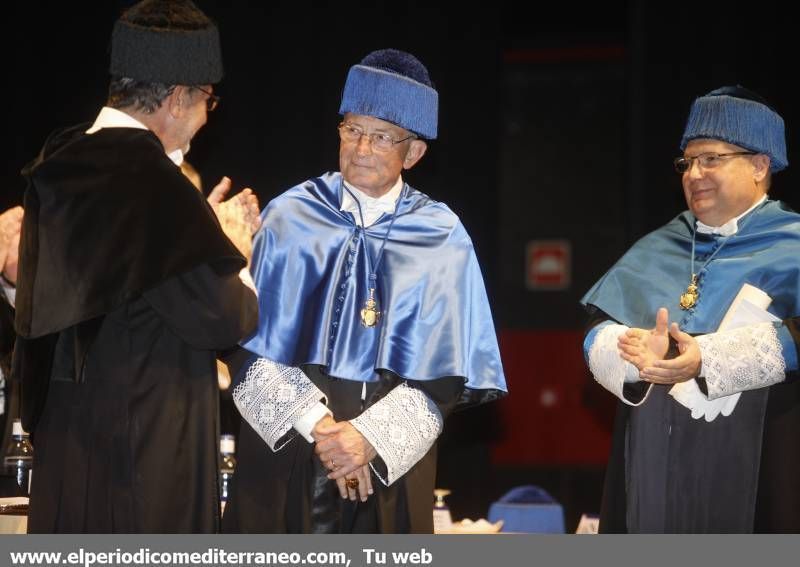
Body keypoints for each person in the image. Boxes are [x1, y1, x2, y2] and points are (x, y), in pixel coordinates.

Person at [222, 48, 507, 534]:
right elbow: (243, 342)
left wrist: (366, 439)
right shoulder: (290, 216)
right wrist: (322, 429)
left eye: (380, 137)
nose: (361, 149)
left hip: (387, 470)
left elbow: (448, 376)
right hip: (288, 453)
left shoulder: (442, 237)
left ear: (413, 152)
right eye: (351, 130)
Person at [13, 0, 258, 533]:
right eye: (207, 101)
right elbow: (226, 319)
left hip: (64, 451)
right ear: (177, 99)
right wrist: (230, 244)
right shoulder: (156, 187)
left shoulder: (59, 164)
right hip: (143, 463)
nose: (204, 117)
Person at [581, 86, 800, 533]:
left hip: (761, 475)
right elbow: (596, 329)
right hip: (652, 472)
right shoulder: (660, 245)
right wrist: (633, 351)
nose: (693, 173)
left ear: (760, 166)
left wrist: (708, 359)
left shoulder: (792, 244)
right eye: (687, 161)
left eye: (711, 159)